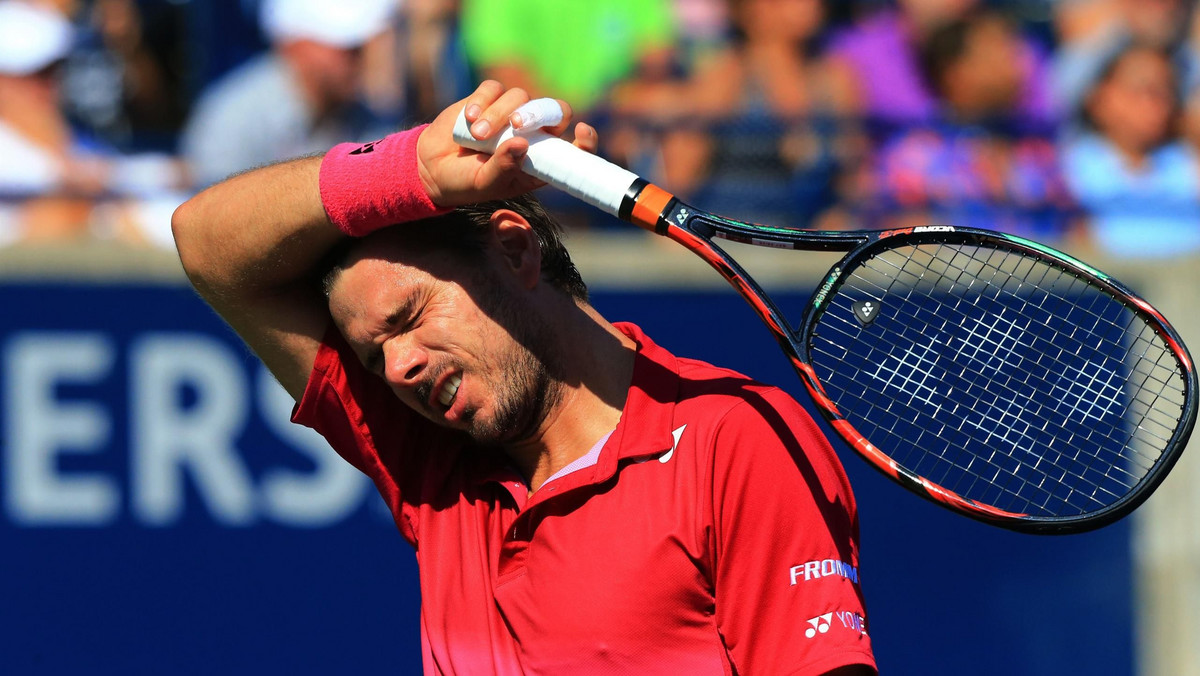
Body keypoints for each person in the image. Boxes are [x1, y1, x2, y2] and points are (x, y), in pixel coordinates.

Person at [171, 81, 876, 674]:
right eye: (372, 355)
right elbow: (206, 245)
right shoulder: (431, 468)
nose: (398, 367)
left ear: (515, 250)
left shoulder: (736, 438)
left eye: (411, 315)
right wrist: (415, 166)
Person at [178, 0, 399, 188]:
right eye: (346, 47)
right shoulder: (232, 119)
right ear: (295, 45)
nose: (359, 59)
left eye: (360, 47)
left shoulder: (367, 116)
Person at [1062, 43, 1200, 257]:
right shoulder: (1067, 168)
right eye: (1143, 90)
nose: (1158, 104)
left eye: (1166, 91)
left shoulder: (1189, 165)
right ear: (1099, 98)